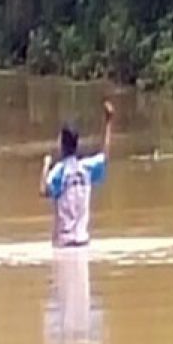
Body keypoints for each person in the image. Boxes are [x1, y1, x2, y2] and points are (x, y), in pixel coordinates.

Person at [40, 100, 114, 248]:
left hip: (63, 243)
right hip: (82, 241)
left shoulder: (58, 172)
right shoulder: (86, 168)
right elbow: (105, 155)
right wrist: (108, 123)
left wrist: (45, 166)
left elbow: (43, 191)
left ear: (62, 144)